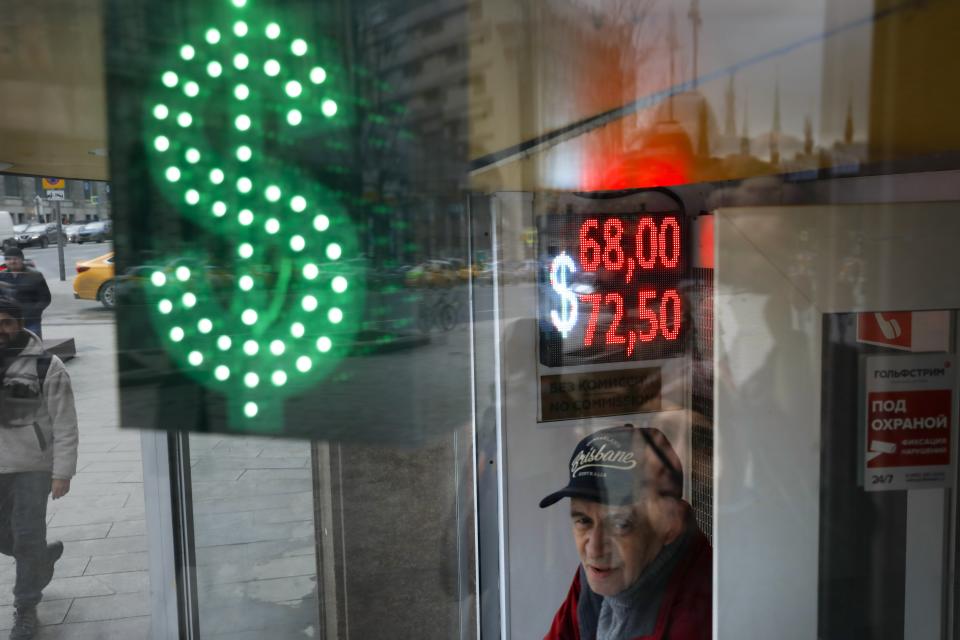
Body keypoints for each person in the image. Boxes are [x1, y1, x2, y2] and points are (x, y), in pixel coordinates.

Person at [541, 425, 711, 640]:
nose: (594, 549)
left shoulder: (702, 612)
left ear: (669, 525)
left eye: (620, 524)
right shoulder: (599, 572)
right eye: (584, 521)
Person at [0, 298, 77, 639]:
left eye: (6, 323)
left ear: (18, 323)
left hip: (32, 466)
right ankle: (40, 560)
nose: (1, 331)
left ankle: (26, 608)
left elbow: (65, 423)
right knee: (15, 539)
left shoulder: (47, 365)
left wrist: (63, 472)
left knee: (27, 534)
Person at [0, 249, 50, 339]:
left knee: (34, 347)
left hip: (30, 321)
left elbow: (45, 298)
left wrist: (34, 312)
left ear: (22, 259)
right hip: (8, 323)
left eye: (15, 259)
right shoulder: (1, 276)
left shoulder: (35, 275)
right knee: (10, 349)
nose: (12, 261)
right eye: (8, 259)